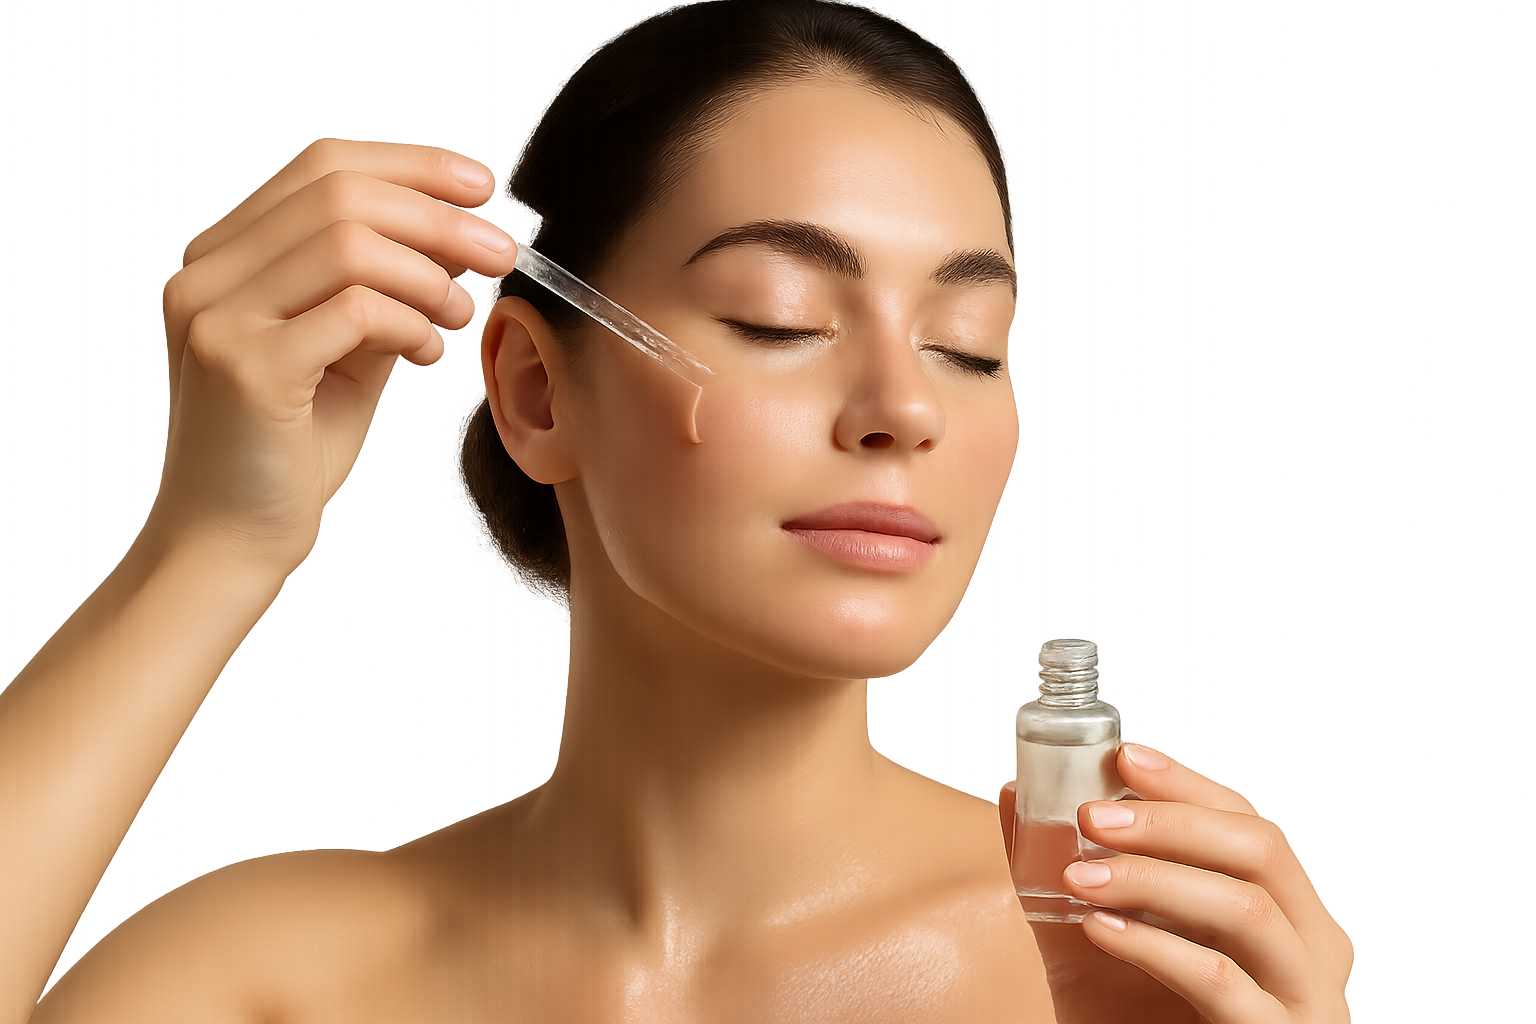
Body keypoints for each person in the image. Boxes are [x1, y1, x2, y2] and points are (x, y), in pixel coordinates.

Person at [1, 2, 1352, 1021]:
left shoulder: (1131, 973)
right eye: (780, 318)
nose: (905, 405)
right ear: (537, 392)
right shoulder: (272, 986)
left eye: (970, 342)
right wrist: (215, 544)